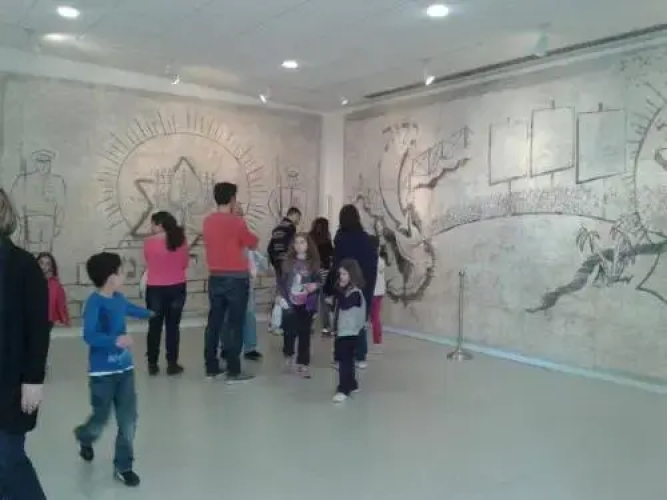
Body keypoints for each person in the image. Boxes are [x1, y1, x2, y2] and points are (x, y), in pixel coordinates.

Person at [73, 252, 152, 487]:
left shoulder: (118, 298)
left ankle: (123, 466)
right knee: (100, 419)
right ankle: (84, 436)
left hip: (125, 370)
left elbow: (130, 309)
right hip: (102, 375)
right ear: (111, 277)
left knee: (129, 420)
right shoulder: (94, 303)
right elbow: (89, 335)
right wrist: (115, 340)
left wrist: (151, 313)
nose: (124, 275)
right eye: (121, 271)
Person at [0, 188, 50, 500]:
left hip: (10, 380)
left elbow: (38, 327)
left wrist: (34, 380)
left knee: (8, 459)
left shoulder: (22, 265)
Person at [202, 182, 258, 382]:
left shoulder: (208, 221)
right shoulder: (237, 222)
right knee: (235, 324)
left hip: (215, 277)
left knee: (214, 322)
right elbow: (252, 242)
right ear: (233, 199)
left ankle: (211, 367)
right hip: (237, 279)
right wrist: (241, 219)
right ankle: (233, 369)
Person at [325, 204, 378, 369]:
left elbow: (336, 265)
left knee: (342, 321)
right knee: (359, 321)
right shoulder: (367, 240)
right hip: (364, 286)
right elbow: (372, 268)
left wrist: (329, 288)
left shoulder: (341, 238)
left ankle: (340, 357)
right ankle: (360, 357)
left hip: (345, 286)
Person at [143, 211, 189, 376]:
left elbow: (148, 261)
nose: (151, 227)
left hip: (155, 288)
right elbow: (184, 263)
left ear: (160, 224)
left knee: (154, 326)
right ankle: (172, 364)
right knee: (173, 327)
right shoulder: (181, 240)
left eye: (153, 224)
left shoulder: (149, 242)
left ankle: (152, 364)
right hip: (177, 287)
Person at [277, 233, 320, 379]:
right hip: (290, 303)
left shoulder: (313, 263)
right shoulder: (287, 262)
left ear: (308, 245)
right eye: (296, 242)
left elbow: (319, 281)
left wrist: (316, 286)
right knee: (289, 331)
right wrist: (279, 295)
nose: (299, 245)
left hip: (307, 304)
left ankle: (303, 363)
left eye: (302, 242)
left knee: (305, 333)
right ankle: (288, 355)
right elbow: (281, 282)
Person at [332, 259, 366, 403]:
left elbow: (345, 305)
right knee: (347, 360)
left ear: (352, 274)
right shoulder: (347, 291)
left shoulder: (355, 293)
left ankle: (343, 389)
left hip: (350, 333)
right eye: (340, 274)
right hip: (343, 332)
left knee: (344, 362)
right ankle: (352, 384)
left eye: (345, 274)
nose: (342, 277)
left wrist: (338, 291)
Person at [267, 206, 301, 334]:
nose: (298, 221)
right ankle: (281, 324)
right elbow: (292, 247)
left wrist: (274, 262)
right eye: (298, 217)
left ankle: (272, 322)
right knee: (286, 294)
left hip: (277, 264)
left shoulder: (277, 228)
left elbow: (270, 248)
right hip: (286, 264)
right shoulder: (290, 228)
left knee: (279, 291)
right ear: (294, 214)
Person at [309, 217, 334, 335]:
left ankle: (309, 324)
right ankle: (326, 326)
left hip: (312, 271)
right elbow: (331, 255)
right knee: (324, 300)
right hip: (324, 271)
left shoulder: (309, 238)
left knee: (311, 298)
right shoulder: (326, 240)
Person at [36, 251, 70, 332]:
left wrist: (65, 322)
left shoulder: (56, 285)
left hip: (48, 323)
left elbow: (62, 307)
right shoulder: (29, 281)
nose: (43, 266)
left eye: (47, 264)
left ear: (51, 267)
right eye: (41, 263)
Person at [369, 236, 387, 351]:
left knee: (374, 317)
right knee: (376, 316)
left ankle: (377, 340)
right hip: (379, 292)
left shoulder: (370, 260)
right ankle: (377, 339)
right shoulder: (381, 260)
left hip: (373, 292)